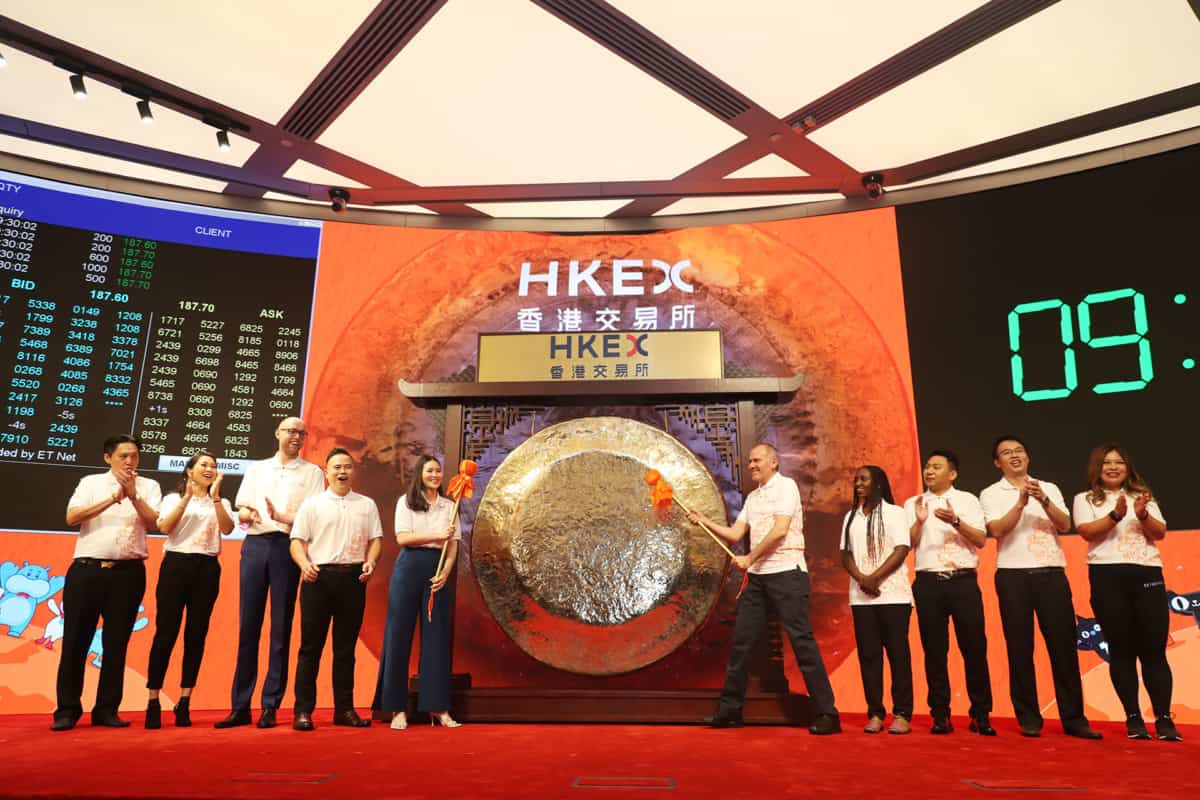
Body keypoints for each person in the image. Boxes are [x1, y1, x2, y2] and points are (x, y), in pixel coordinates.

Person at [687, 443, 840, 735]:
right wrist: (703, 520)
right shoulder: (754, 498)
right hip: (758, 579)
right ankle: (730, 711)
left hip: (786, 573)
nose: (752, 465)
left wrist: (750, 557)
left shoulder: (787, 487)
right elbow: (734, 534)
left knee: (801, 641)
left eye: (757, 460)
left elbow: (780, 529)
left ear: (774, 462)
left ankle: (826, 712)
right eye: (749, 461)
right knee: (742, 642)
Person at [980, 436, 1101, 740]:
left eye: (1019, 450)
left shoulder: (1048, 487)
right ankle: (1029, 718)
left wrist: (1042, 500)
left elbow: (1064, 525)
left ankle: (1074, 719)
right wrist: (1020, 503)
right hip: (1012, 576)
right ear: (998, 463)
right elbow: (996, 530)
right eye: (1007, 453)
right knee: (1020, 648)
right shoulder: (991, 493)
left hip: (1051, 574)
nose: (1015, 456)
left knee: (1063, 648)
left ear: (1028, 456)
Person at [215, 417, 324, 729]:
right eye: (290, 431)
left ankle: (270, 704)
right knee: (248, 625)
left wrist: (281, 516)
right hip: (255, 546)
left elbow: (310, 517)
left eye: (301, 433)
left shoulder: (313, 473)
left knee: (281, 629)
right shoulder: (257, 469)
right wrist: (246, 514)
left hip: (288, 548)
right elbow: (244, 512)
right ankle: (240, 705)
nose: (296, 436)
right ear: (277, 433)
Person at [1072, 443, 1181, 742]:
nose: (1113, 467)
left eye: (1119, 462)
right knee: (1121, 651)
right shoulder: (1084, 498)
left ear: (1127, 467)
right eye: (1107, 462)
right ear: (1097, 467)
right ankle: (1133, 718)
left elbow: (1159, 533)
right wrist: (1116, 516)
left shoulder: (1141, 496)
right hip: (1108, 577)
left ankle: (1164, 720)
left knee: (1154, 652)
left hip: (1147, 574)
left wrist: (1142, 514)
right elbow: (1087, 532)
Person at [52, 434, 162, 731]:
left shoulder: (149, 486)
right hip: (87, 571)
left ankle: (107, 709)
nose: (130, 461)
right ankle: (67, 710)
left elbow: (155, 522)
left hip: (128, 573)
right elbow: (72, 517)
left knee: (116, 644)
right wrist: (113, 498)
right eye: (124, 456)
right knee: (75, 641)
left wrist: (133, 495)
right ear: (108, 457)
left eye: (135, 456)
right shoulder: (91, 483)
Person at [289, 448, 383, 731]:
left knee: (345, 649)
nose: (342, 472)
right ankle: (302, 711)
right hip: (318, 580)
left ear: (353, 471)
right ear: (326, 472)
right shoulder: (313, 504)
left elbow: (376, 539)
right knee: (310, 648)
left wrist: (371, 561)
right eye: (336, 468)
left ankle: (344, 709)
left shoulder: (366, 504)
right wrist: (304, 564)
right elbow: (296, 541)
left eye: (347, 467)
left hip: (353, 580)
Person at [905, 449, 994, 735]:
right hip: (928, 582)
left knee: (974, 648)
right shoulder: (913, 502)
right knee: (934, 651)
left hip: (962, 581)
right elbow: (908, 543)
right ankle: (940, 714)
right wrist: (919, 521)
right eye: (927, 467)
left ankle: (981, 713)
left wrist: (955, 521)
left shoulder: (967, 499)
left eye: (936, 467)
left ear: (952, 474)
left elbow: (980, 539)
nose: (929, 471)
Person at [144, 451, 234, 729]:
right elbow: (165, 527)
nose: (210, 469)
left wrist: (216, 497)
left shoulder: (221, 501)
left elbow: (228, 529)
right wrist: (187, 497)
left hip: (207, 568)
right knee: (166, 633)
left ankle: (184, 701)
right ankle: (153, 700)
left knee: (196, 634)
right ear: (190, 471)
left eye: (213, 466)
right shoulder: (172, 498)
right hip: (176, 566)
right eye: (204, 465)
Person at [372, 455, 462, 730]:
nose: (435, 475)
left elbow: (454, 544)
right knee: (398, 634)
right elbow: (403, 538)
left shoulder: (450, 505)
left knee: (436, 637)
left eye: (438, 471)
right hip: (409, 566)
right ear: (420, 475)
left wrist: (446, 572)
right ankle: (397, 709)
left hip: (437, 570)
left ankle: (438, 707)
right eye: (429, 470)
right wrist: (436, 535)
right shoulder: (406, 502)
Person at [840, 465, 913, 735]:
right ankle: (875, 713)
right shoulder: (851, 517)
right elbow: (845, 554)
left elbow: (902, 549)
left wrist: (875, 578)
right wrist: (861, 578)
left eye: (864, 479)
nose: (858, 483)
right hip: (861, 598)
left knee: (898, 655)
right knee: (869, 657)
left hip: (893, 595)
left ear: (878, 483)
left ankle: (903, 714)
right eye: (856, 479)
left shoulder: (895, 513)